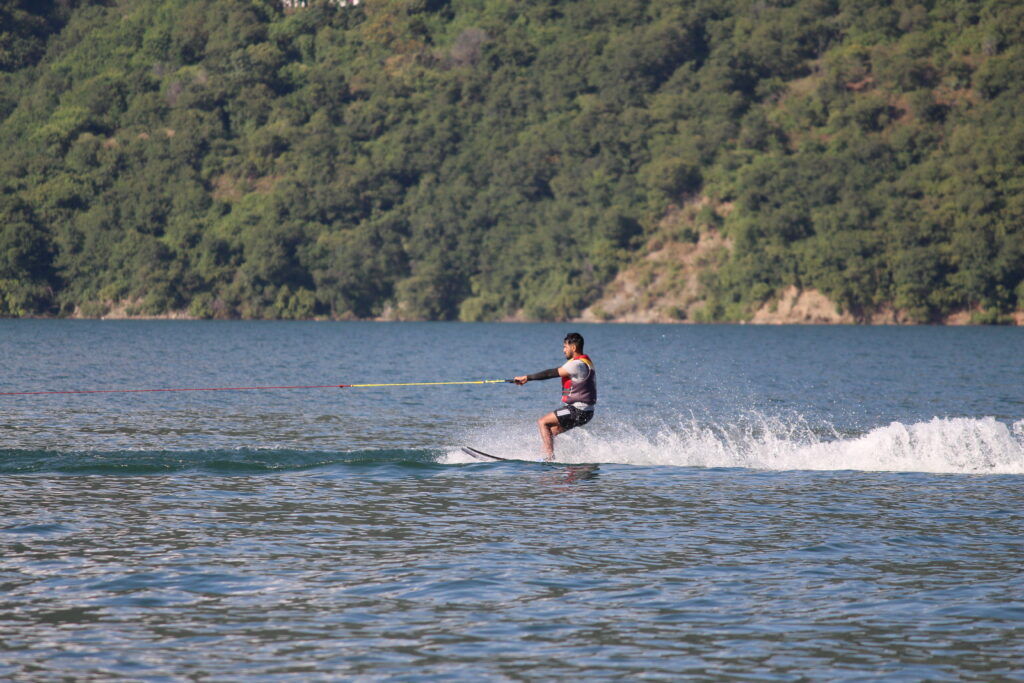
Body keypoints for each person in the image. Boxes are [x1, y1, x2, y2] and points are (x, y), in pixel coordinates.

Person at [514, 332, 596, 459]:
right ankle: (544, 458)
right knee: (550, 432)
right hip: (587, 412)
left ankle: (548, 457)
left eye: (565, 347)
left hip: (578, 409)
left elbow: (550, 373)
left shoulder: (576, 364)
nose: (563, 350)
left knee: (543, 422)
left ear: (573, 347)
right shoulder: (585, 362)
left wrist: (527, 378)